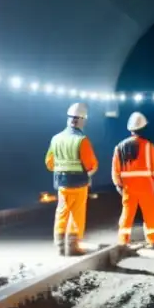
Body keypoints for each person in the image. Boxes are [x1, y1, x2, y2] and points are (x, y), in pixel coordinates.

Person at [45, 102, 98, 256]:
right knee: (77, 213)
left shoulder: (56, 139)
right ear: (81, 120)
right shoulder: (82, 140)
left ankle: (60, 245)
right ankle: (72, 246)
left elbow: (49, 163)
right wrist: (89, 174)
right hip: (78, 183)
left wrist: (61, 168)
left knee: (61, 211)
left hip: (61, 183)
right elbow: (91, 164)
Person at [112, 111, 154, 248]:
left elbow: (116, 169)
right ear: (144, 128)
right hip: (146, 186)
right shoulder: (149, 146)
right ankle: (153, 240)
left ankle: (123, 240)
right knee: (150, 213)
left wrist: (118, 184)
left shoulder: (120, 147)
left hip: (128, 187)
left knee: (127, 214)